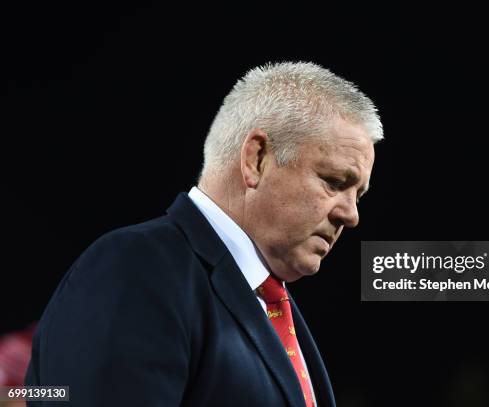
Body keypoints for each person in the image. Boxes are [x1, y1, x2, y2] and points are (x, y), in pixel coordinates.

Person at [26, 61, 383, 406]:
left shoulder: (266, 302)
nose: (350, 215)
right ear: (256, 159)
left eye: (359, 195)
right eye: (335, 182)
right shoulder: (135, 269)